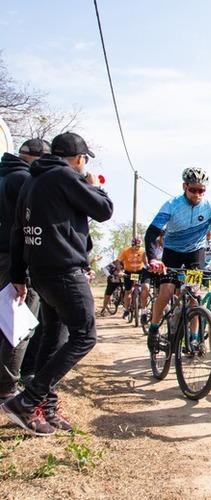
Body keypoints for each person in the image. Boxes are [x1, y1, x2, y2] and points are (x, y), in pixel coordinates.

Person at [2, 132, 113, 436]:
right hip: (64, 270)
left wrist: (18, 275)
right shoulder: (66, 176)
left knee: (55, 337)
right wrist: (95, 186)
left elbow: (17, 231)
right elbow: (104, 211)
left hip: (40, 272)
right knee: (84, 336)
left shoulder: (31, 180)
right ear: (79, 159)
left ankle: (46, 407)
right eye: (84, 160)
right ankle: (29, 399)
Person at [144, 167, 211, 354]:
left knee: (193, 296)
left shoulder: (210, 208)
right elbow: (152, 232)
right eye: (193, 189)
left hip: (195, 252)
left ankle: (193, 338)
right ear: (184, 186)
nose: (197, 194)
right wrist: (153, 259)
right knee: (166, 292)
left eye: (201, 190)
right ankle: (153, 328)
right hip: (172, 252)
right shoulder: (172, 205)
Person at [0, 138, 49, 402]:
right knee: (19, 324)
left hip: (5, 257)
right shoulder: (22, 180)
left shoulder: (6, 175)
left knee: (6, 321)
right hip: (14, 259)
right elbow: (27, 225)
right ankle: (8, 388)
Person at [117, 237, 148, 319]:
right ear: (132, 245)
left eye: (138, 247)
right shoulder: (126, 251)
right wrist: (120, 271)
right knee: (128, 292)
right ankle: (126, 310)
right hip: (128, 272)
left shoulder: (143, 251)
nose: (137, 248)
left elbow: (145, 262)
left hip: (139, 271)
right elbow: (118, 261)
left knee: (143, 289)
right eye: (135, 247)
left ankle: (142, 308)